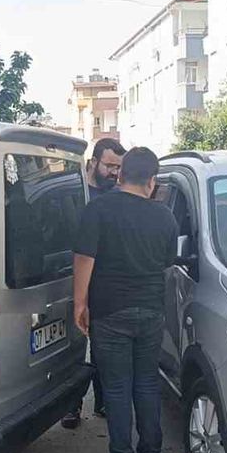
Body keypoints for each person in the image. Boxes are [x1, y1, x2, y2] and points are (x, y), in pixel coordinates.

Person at [73, 147, 177, 453]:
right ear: (152, 181)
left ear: (120, 174)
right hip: (151, 311)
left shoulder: (98, 209)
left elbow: (84, 259)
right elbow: (166, 265)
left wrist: (79, 304)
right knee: (146, 384)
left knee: (117, 389)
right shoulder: (165, 216)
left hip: (110, 311)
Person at [62, 138, 126, 430]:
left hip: (105, 282)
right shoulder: (74, 194)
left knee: (103, 348)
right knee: (71, 346)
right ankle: (71, 405)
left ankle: (102, 402)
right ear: (93, 162)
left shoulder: (118, 197)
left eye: (119, 167)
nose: (115, 172)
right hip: (72, 277)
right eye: (110, 165)